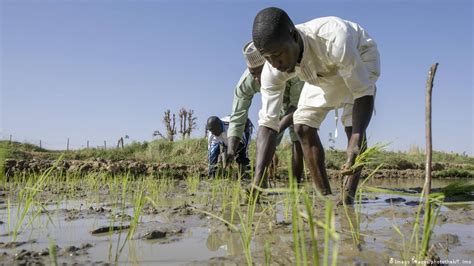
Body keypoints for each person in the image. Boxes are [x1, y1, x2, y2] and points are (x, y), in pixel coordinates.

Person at [251, 7, 380, 204]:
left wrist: (357, 137)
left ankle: (347, 198)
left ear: (294, 36)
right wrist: (257, 181)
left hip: (359, 57)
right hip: (320, 74)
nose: (274, 63)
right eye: (267, 57)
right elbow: (268, 125)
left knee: (352, 128)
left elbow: (362, 92)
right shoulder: (273, 68)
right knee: (302, 125)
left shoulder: (335, 38)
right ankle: (326, 198)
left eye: (277, 55)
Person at [226, 41, 306, 184]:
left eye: (260, 72)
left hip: (297, 101)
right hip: (275, 101)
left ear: (271, 64)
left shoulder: (291, 71)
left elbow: (297, 106)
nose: (257, 78)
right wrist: (231, 150)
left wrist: (275, 131)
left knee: (298, 134)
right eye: (253, 73)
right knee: (265, 136)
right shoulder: (245, 83)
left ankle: (296, 185)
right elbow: (238, 117)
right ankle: (260, 183)